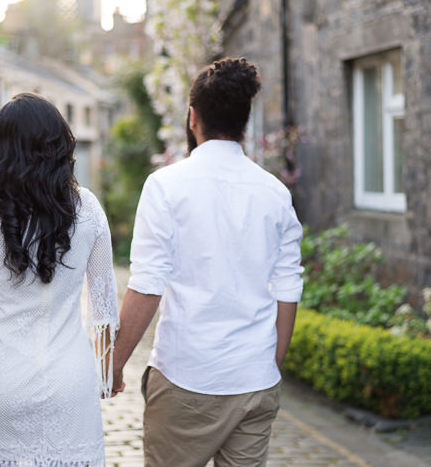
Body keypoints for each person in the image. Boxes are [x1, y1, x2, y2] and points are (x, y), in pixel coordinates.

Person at [111, 58, 304, 466]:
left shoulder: (165, 186)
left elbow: (147, 284)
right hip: (255, 382)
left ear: (192, 116)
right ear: (244, 123)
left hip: (187, 379)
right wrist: (269, 366)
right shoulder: (274, 193)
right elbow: (289, 287)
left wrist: (113, 364)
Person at [0, 93, 119, 466]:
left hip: (0, 387)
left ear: (1, 148)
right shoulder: (89, 208)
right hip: (70, 384)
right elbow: (104, 308)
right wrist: (107, 369)